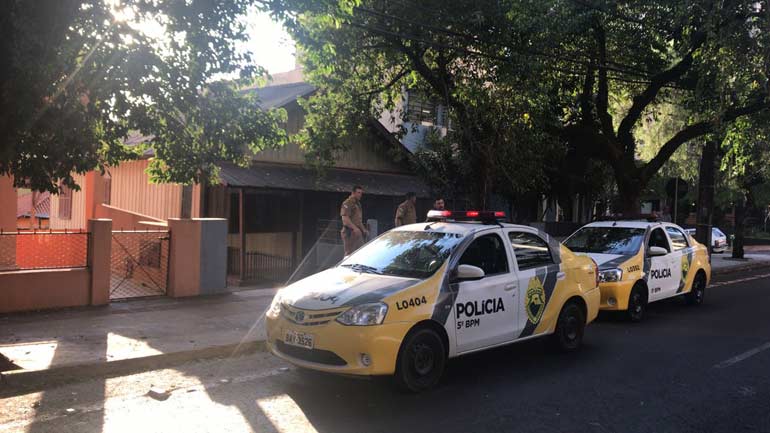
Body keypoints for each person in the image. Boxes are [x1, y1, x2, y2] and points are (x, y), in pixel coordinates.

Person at [340, 185, 368, 256]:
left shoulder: (358, 204)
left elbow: (358, 220)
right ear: (353, 193)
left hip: (357, 231)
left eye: (361, 193)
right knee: (349, 253)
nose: (360, 195)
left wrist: (363, 229)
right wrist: (355, 228)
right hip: (349, 231)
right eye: (358, 192)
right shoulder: (347, 203)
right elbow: (345, 218)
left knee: (361, 252)